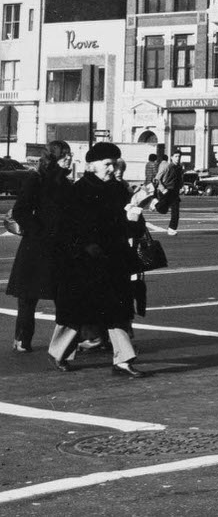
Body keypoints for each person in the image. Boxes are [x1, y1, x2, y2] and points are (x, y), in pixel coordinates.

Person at [48, 142, 146, 377]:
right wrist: (85, 245)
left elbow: (129, 228)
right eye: (107, 164)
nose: (112, 169)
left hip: (114, 260)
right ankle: (58, 352)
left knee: (118, 311)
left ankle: (123, 360)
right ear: (91, 165)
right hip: (85, 262)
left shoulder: (120, 189)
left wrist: (135, 214)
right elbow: (67, 228)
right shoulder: (78, 191)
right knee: (78, 313)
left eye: (114, 164)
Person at [6, 141, 73, 353]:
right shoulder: (36, 179)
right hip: (37, 246)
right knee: (28, 297)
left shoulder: (66, 183)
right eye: (64, 155)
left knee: (65, 295)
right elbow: (21, 211)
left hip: (59, 246)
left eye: (69, 154)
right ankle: (22, 339)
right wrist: (40, 230)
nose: (68, 158)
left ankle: (65, 345)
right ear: (52, 157)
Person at [150, 147, 182, 235]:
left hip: (175, 192)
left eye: (179, 156)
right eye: (176, 156)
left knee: (175, 212)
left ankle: (171, 228)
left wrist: (181, 186)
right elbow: (157, 179)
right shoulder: (168, 167)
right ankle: (155, 202)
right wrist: (163, 189)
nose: (178, 158)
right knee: (162, 210)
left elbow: (179, 179)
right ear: (171, 157)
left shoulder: (179, 167)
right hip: (167, 191)